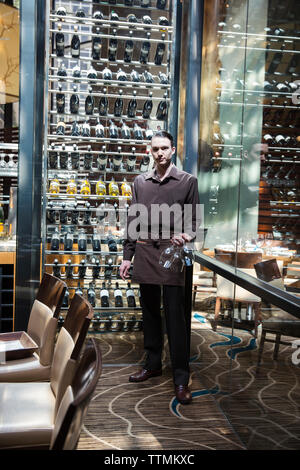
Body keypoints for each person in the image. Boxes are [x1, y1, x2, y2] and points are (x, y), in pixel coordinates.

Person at [119, 130, 200, 405]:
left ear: (173, 150)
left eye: (164, 148)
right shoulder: (140, 182)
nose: (160, 153)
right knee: (150, 313)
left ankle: (180, 377)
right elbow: (133, 222)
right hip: (145, 252)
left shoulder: (188, 181)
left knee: (177, 318)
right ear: (149, 152)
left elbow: (194, 221)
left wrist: (187, 235)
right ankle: (152, 364)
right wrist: (127, 256)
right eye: (155, 149)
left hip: (173, 254)